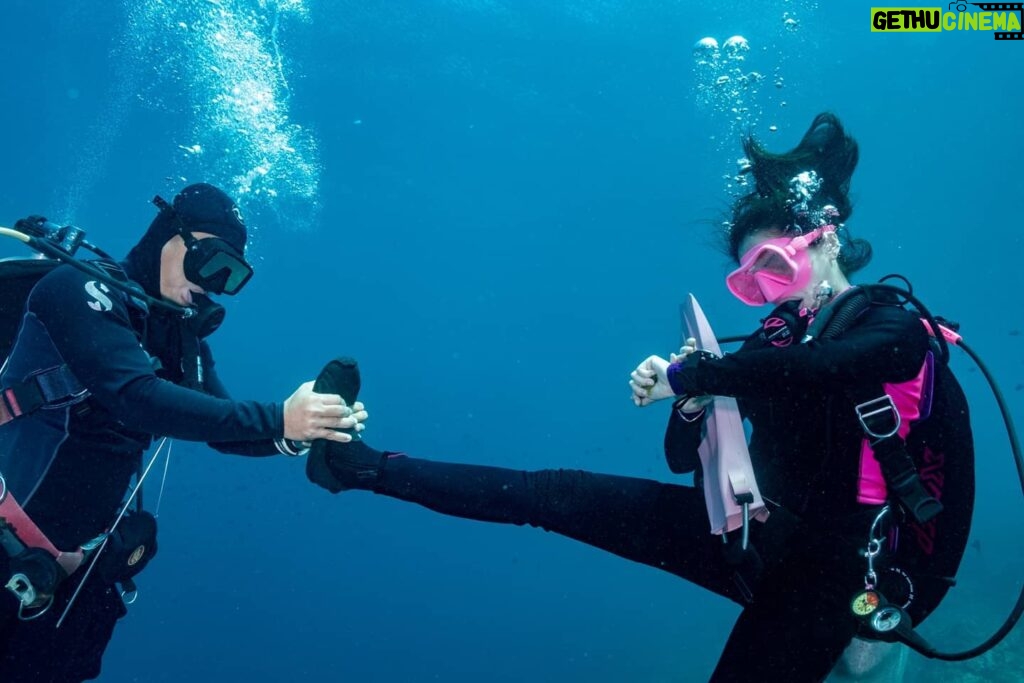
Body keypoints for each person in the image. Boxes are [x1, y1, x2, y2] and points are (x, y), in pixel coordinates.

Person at [305, 114, 975, 682]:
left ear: (824, 235)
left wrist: (697, 378)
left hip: (847, 575)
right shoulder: (774, 340)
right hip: (758, 537)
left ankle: (867, 654)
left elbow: (828, 365)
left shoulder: (891, 323)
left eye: (773, 267)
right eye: (747, 284)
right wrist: (687, 403)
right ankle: (359, 467)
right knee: (554, 493)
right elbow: (684, 458)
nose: (767, 295)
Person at [0, 183, 366, 682]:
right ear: (171, 236)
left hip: (62, 578)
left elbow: (221, 424)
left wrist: (306, 426)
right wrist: (280, 417)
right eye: (212, 264)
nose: (213, 286)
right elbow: (136, 396)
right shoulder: (77, 288)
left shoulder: (176, 334)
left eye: (230, 277)